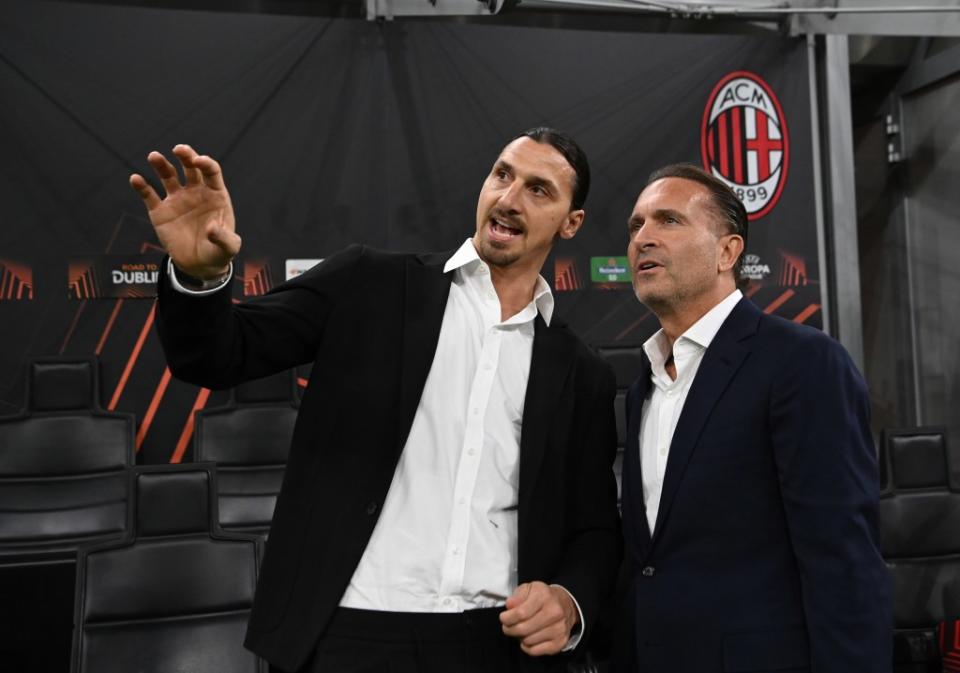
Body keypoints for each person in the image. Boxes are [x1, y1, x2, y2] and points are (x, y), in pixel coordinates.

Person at [130, 128, 622, 673]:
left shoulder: (582, 373)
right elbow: (217, 357)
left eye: (538, 190)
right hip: (347, 633)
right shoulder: (369, 283)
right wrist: (201, 277)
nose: (508, 199)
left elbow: (595, 528)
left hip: (496, 644)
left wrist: (569, 600)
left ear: (571, 222)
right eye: (502, 175)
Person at [612, 164, 891, 673]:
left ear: (728, 252)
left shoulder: (802, 363)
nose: (643, 238)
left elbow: (843, 561)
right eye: (636, 226)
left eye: (668, 221)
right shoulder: (642, 388)